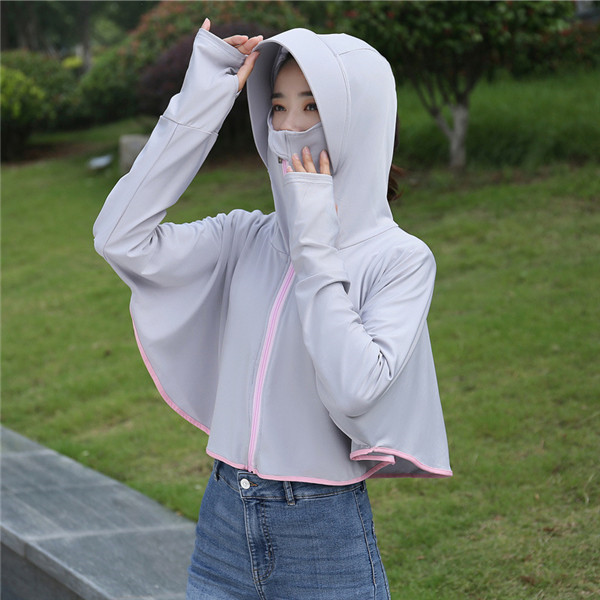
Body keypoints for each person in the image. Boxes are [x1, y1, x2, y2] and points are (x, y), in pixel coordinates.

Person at [94, 18, 452, 600]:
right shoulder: (246, 236)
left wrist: (315, 244)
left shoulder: (399, 259)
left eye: (311, 107)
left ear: (355, 121)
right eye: (277, 106)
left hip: (322, 536)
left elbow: (355, 389)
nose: (287, 126)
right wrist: (204, 100)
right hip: (223, 525)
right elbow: (119, 238)